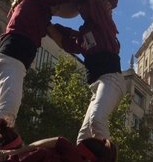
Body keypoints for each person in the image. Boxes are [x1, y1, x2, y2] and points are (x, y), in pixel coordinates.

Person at [0, 0, 114, 136]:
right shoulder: (38, 1)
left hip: (3, 63)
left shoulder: (36, 12)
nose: (60, 10)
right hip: (11, 64)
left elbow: (64, 41)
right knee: (7, 112)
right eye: (59, 6)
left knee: (1, 115)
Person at [48, 13, 124, 142]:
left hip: (111, 79)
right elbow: (66, 43)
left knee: (97, 119)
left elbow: (92, 2)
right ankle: (84, 160)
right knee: (83, 137)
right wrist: (47, 24)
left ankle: (106, 158)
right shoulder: (83, 37)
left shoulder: (102, 23)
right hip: (97, 86)